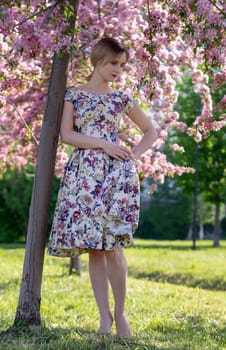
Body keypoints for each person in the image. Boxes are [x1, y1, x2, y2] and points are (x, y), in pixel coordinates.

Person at [48, 37, 158, 337]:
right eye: (113, 63)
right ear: (97, 60)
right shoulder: (73, 95)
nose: (117, 70)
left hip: (115, 177)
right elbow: (68, 135)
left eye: (122, 66)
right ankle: (104, 318)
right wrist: (105, 144)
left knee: (114, 248)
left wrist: (132, 155)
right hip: (84, 176)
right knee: (94, 249)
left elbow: (151, 130)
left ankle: (121, 314)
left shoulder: (121, 97)